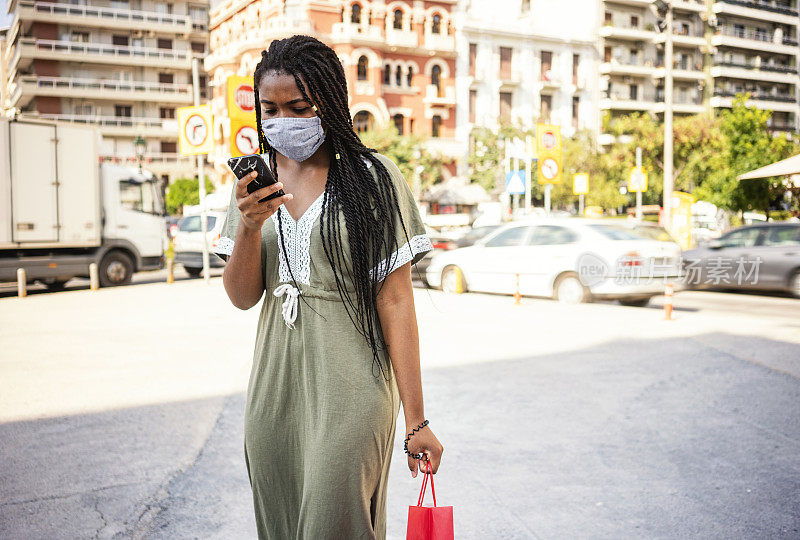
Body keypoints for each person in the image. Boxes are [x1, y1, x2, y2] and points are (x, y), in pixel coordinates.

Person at [212, 35, 444, 539]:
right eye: (270, 109)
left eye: (299, 107)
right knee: (278, 522)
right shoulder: (252, 186)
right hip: (274, 393)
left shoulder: (372, 178)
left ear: (330, 103)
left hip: (353, 390)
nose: (284, 121)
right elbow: (241, 296)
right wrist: (250, 227)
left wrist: (417, 420)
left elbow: (397, 301)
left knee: (336, 524)